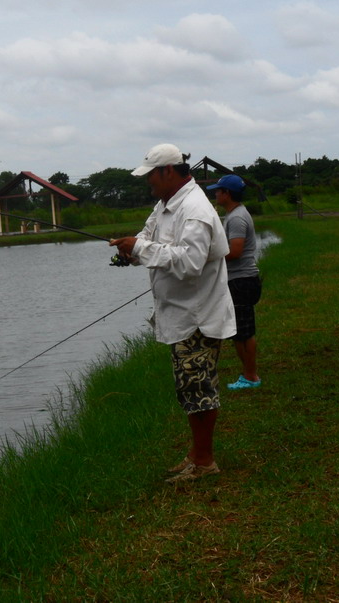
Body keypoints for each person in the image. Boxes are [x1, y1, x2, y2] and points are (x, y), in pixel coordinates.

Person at [110, 143, 236, 483]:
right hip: (181, 314)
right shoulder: (165, 204)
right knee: (189, 388)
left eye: (150, 175)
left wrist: (140, 248)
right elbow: (148, 237)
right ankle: (196, 454)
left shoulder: (193, 210)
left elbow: (190, 262)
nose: (147, 181)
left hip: (197, 316)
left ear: (168, 171)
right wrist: (132, 250)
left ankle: (205, 462)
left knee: (198, 389)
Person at [207, 174, 262, 389]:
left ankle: (251, 377)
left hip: (241, 281)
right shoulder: (233, 215)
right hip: (238, 280)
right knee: (238, 332)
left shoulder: (237, 218)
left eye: (218, 191)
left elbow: (235, 251)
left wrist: (208, 257)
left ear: (227, 194)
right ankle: (248, 375)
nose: (216, 194)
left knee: (244, 332)